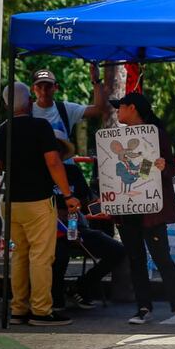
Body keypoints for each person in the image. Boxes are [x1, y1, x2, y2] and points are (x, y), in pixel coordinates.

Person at [0, 82, 80, 326]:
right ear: (29, 101)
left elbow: (0, 165)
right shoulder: (40, 126)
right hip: (38, 199)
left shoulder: (0, 131)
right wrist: (68, 195)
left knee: (19, 254)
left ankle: (19, 308)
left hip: (11, 200)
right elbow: (53, 162)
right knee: (41, 256)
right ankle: (41, 310)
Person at [111, 92, 175, 325]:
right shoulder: (113, 138)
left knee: (161, 257)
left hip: (152, 208)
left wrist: (161, 166)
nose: (117, 110)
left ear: (133, 108)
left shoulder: (155, 135)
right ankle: (143, 308)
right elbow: (112, 169)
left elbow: (169, 167)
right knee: (135, 258)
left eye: (120, 106)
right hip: (126, 207)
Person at [49, 130, 126, 311]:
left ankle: (82, 285)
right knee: (59, 256)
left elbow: (88, 203)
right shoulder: (39, 174)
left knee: (117, 250)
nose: (55, 154)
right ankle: (55, 297)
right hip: (48, 229)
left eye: (58, 149)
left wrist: (111, 206)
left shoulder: (73, 171)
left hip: (76, 226)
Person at [31, 66, 108, 147]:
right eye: (39, 87)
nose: (43, 91)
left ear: (56, 87)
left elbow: (98, 109)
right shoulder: (26, 111)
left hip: (64, 159)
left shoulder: (65, 109)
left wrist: (95, 80)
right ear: (33, 89)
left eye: (48, 86)